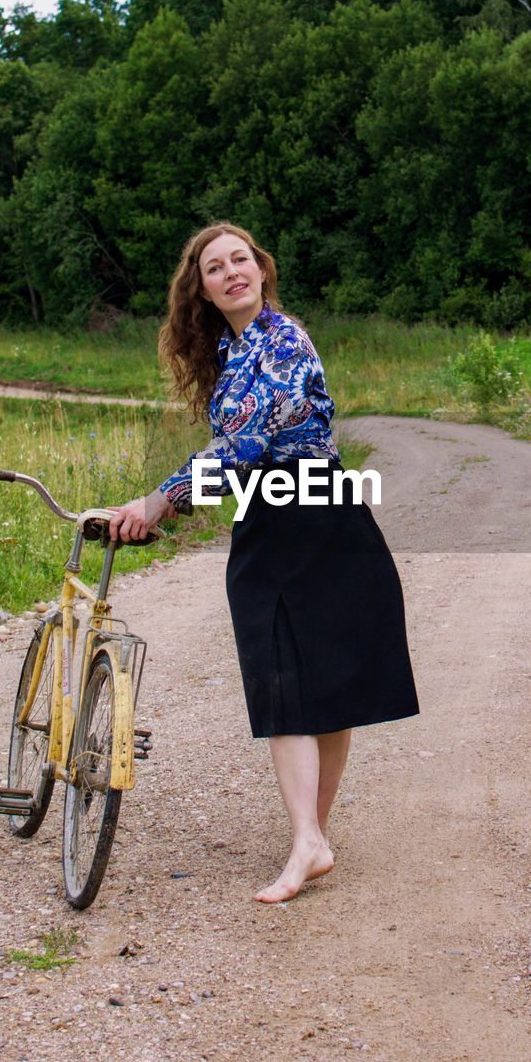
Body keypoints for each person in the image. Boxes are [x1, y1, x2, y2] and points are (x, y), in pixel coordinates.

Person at [108, 223, 419, 903]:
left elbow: (245, 443)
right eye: (215, 268)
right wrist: (171, 498)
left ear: (261, 269)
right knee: (299, 684)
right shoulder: (232, 348)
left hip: (312, 514)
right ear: (203, 290)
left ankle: (310, 838)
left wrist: (163, 499)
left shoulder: (281, 341)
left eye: (239, 260)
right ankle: (311, 837)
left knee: (303, 685)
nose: (230, 273)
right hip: (283, 513)